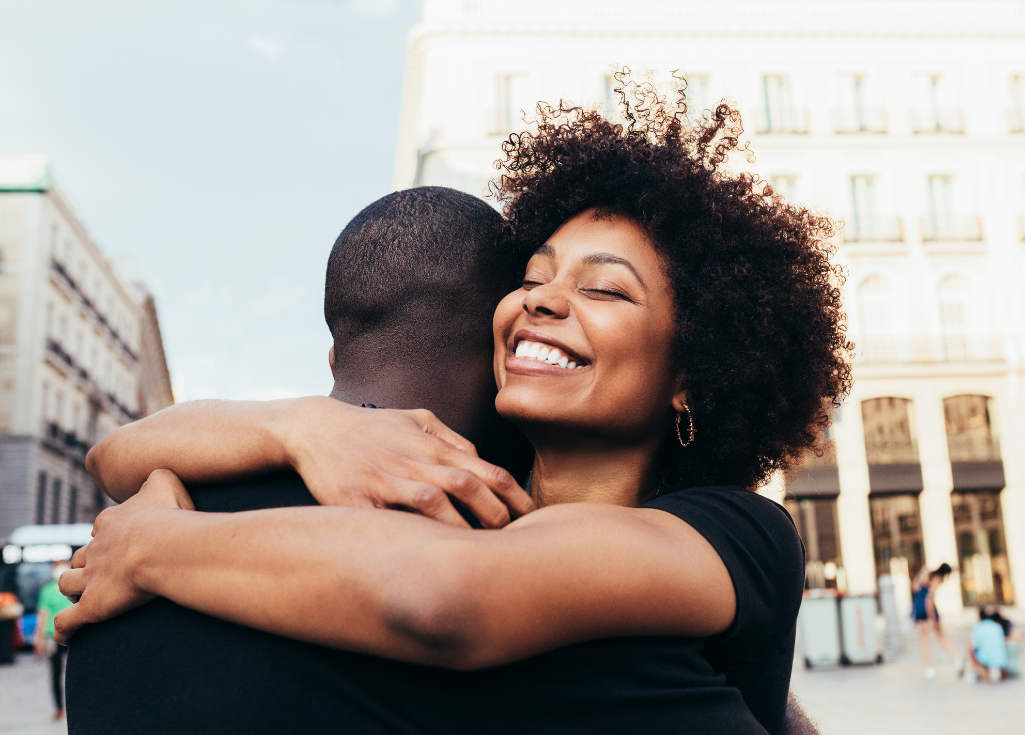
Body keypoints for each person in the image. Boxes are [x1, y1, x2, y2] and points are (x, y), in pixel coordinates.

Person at [61, 80, 848, 733]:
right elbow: (117, 453)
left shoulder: (732, 530)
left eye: (603, 288)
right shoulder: (468, 495)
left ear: (694, 371)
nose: (543, 302)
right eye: (533, 278)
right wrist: (301, 424)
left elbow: (443, 598)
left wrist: (151, 544)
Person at [35, 559, 73, 721]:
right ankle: (58, 707)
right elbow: (42, 615)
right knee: (55, 673)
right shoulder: (48, 590)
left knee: (73, 672)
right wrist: (39, 637)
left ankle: (74, 705)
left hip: (74, 634)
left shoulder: (73, 587)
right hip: (53, 636)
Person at [911, 562, 961, 679]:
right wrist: (932, 618)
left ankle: (929, 667)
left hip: (918, 605)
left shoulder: (926, 573)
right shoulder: (937, 578)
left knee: (924, 639)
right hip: (927, 608)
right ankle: (956, 657)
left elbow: (915, 587)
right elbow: (929, 598)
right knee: (941, 635)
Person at [963, 608, 1008, 683]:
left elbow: (975, 645)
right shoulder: (997, 626)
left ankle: (975, 671)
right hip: (1001, 659)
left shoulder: (978, 627)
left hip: (985, 659)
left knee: (970, 648)